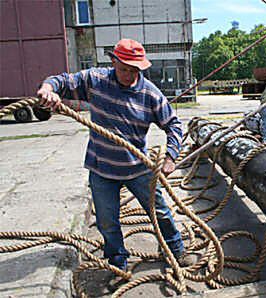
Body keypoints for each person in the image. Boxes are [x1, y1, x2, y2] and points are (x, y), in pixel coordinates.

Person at [37, 39, 194, 271]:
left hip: (137, 167)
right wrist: (47, 90)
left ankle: (175, 249)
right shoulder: (95, 80)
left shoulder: (150, 94)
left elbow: (174, 125)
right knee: (107, 220)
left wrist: (171, 156)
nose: (129, 75)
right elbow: (61, 81)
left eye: (135, 70)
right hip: (102, 168)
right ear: (113, 62)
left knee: (159, 210)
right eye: (124, 69)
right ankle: (117, 260)